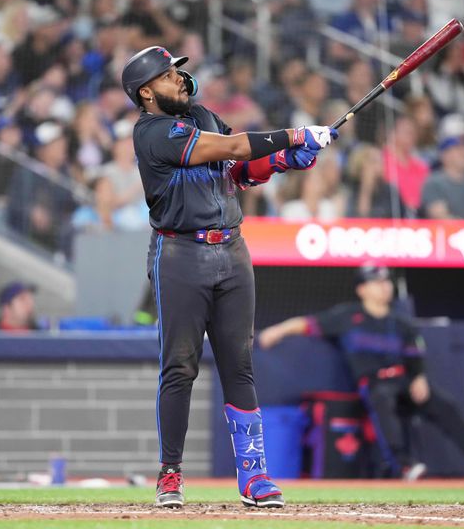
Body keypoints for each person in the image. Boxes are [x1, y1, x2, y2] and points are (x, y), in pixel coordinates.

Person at [122, 45, 336, 508]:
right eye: (168, 75)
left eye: (179, 71)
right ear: (146, 93)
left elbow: (238, 168)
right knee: (179, 366)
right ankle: (170, 474)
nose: (180, 78)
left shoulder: (203, 115)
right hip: (179, 254)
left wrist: (285, 160)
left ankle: (255, 476)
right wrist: (294, 135)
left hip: (232, 249)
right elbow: (234, 146)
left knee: (239, 365)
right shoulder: (153, 132)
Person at [258, 264, 464, 480]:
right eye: (377, 282)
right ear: (362, 289)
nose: (384, 287)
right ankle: (404, 466)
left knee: (445, 405)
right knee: (382, 400)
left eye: (386, 281)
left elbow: (415, 356)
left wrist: (419, 378)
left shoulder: (401, 321)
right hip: (373, 384)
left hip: (404, 381)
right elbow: (306, 324)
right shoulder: (347, 316)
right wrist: (278, 331)